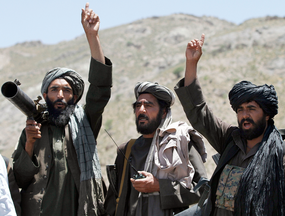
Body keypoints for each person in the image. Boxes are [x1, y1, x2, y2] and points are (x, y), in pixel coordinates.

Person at [12, 3, 112, 216]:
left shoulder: (86, 121)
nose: (60, 96)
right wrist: (30, 143)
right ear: (45, 95)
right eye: (54, 90)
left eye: (66, 91)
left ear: (75, 96)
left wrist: (92, 37)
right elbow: (20, 179)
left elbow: (100, 89)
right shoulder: (34, 129)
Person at [174, 34, 285, 215]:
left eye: (251, 109)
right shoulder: (230, 140)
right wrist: (191, 64)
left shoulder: (281, 154)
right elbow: (198, 113)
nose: (244, 115)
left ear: (267, 114)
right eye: (240, 109)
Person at [105, 81, 208, 216]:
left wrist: (160, 186)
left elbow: (203, 189)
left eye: (148, 105)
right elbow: (113, 201)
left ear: (164, 112)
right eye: (138, 106)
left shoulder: (180, 142)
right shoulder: (127, 150)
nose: (141, 110)